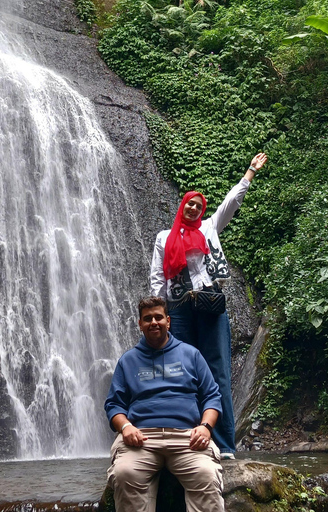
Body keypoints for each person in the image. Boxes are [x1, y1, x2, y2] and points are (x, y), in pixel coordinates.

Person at [149, 152, 268, 458]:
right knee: (182, 372)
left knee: (218, 372)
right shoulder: (164, 237)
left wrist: (249, 173)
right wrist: (159, 313)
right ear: (181, 205)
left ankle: (225, 445)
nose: (194, 207)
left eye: (199, 205)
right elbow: (157, 276)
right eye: (190, 203)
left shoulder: (209, 228)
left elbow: (232, 201)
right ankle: (189, 443)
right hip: (178, 308)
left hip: (210, 304)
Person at [105, 296, 225, 512]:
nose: (153, 322)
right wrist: (126, 427)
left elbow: (212, 396)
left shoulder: (191, 354)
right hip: (141, 440)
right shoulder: (128, 360)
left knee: (206, 474)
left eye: (158, 317)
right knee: (124, 473)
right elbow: (114, 405)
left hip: (187, 439)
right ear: (140, 324)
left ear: (168, 321)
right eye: (147, 318)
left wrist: (206, 427)